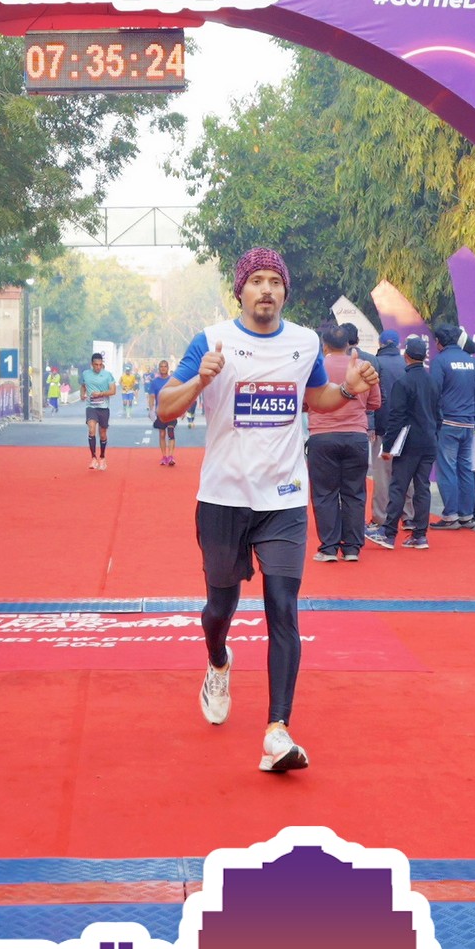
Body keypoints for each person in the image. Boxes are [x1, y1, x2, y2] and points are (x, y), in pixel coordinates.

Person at [154, 247, 371, 774]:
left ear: (285, 291)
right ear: (241, 290)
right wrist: (200, 381)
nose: (267, 289)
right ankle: (218, 661)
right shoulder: (211, 341)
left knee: (283, 607)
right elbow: (164, 407)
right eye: (257, 281)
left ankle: (278, 730)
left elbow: (315, 398)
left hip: (284, 498)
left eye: (275, 280)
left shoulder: (304, 342)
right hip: (224, 498)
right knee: (219, 608)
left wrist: (347, 389)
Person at [306, 326, 376, 562]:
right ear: (349, 344)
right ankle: (352, 548)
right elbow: (375, 402)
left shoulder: (315, 367)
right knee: (354, 492)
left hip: (322, 436)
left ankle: (328, 548)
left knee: (324, 493)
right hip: (356, 436)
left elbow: (305, 402)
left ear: (324, 345)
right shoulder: (362, 367)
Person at [377, 335, 440, 549]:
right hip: (429, 441)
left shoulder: (403, 383)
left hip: (408, 443)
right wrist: (434, 435)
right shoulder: (433, 382)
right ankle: (420, 535)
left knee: (398, 486)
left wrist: (388, 446)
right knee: (422, 488)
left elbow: (396, 418)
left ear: (406, 356)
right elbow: (438, 415)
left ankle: (388, 533)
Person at [432, 329, 475, 528]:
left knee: (447, 469)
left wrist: (437, 419)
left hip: (448, 423)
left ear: (439, 342)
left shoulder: (440, 361)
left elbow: (434, 392)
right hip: (468, 423)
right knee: (465, 469)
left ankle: (450, 516)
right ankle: (467, 515)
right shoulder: (472, 362)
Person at [361, 330, 406, 542]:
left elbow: (374, 396)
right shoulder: (407, 363)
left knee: (381, 476)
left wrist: (372, 424)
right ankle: (409, 516)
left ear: (380, 343)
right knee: (405, 474)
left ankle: (381, 517)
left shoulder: (376, 363)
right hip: (405, 427)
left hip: (382, 425)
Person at [81, 351, 117, 469]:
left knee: (102, 434)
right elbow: (83, 385)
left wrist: (100, 394)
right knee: (91, 429)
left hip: (103, 407)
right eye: (96, 365)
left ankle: (102, 457)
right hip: (91, 407)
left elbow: (113, 391)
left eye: (100, 365)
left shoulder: (108, 375)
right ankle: (93, 458)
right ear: (92, 364)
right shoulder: (85, 374)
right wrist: (82, 394)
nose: (98, 367)